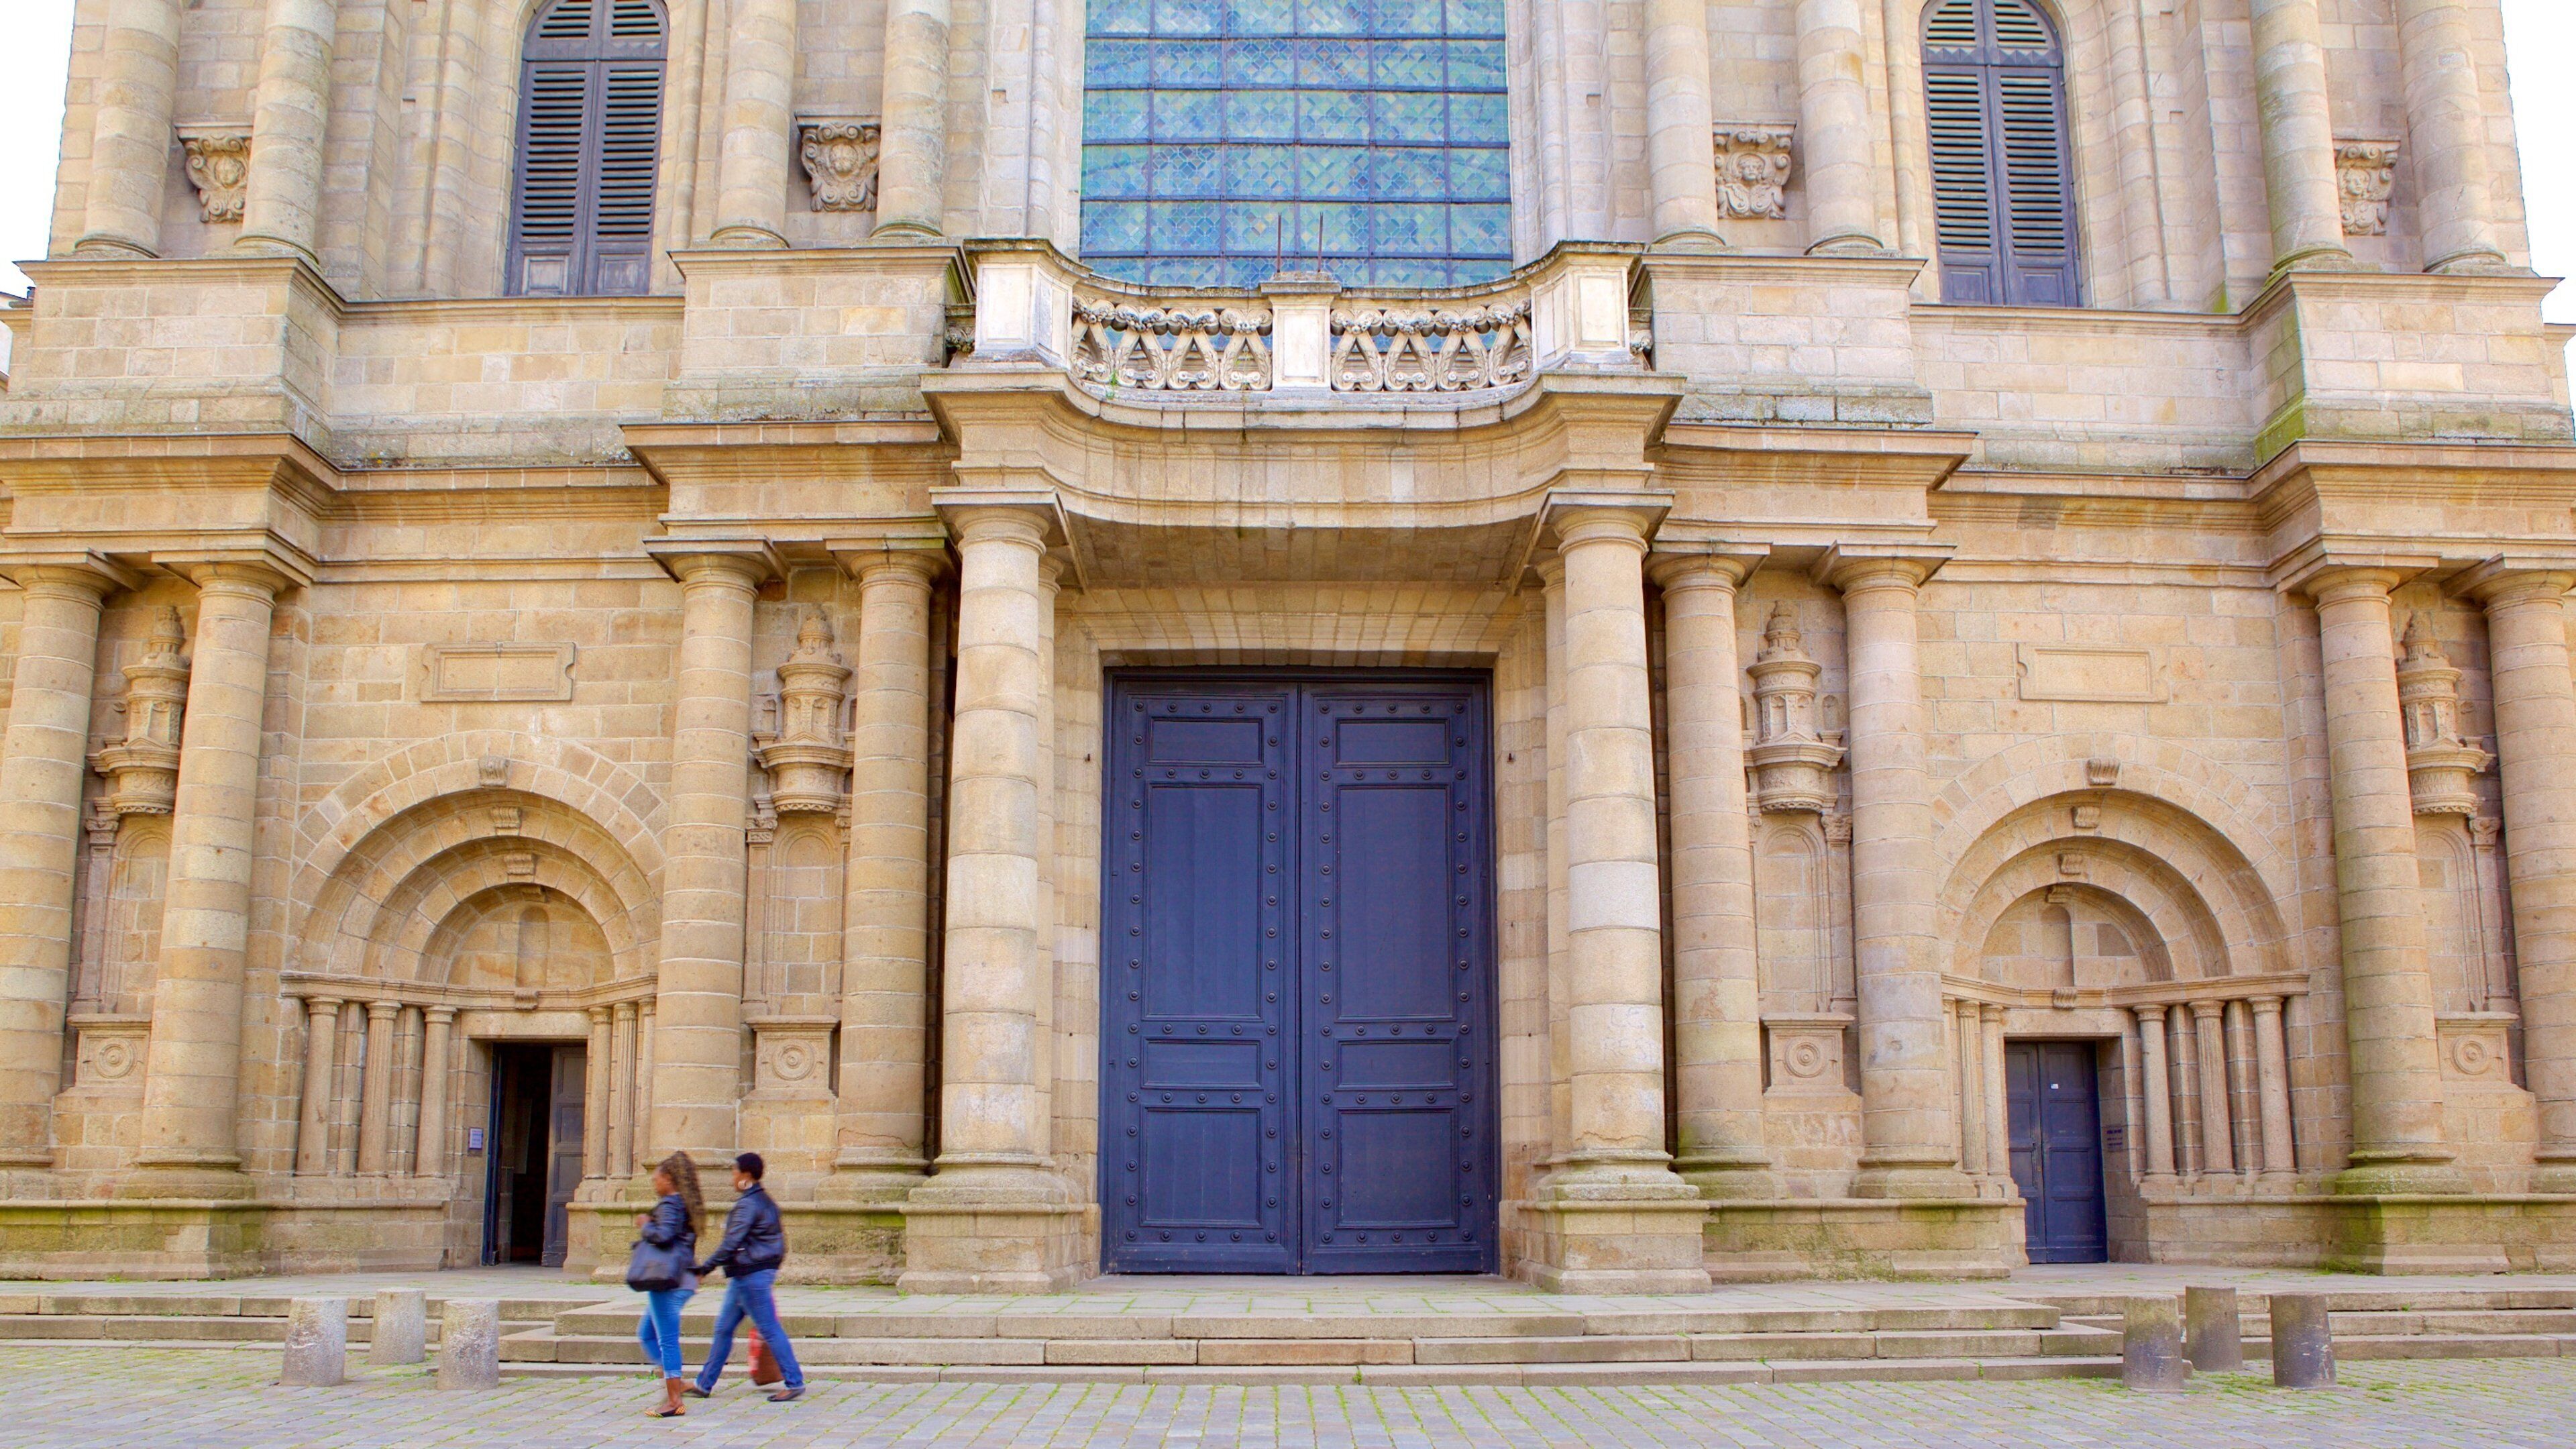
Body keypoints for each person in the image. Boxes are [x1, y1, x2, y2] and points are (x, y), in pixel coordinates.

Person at [686, 1150, 805, 1403]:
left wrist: (704, 1269)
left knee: (769, 1328)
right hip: (746, 1276)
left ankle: (794, 1382)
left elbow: (731, 1243)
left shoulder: (749, 1204)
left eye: (734, 1171)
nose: (732, 1176)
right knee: (723, 1329)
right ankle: (704, 1384)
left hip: (751, 1276)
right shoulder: (764, 1201)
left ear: (746, 1175)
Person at [633, 1152, 702, 1419]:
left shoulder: (670, 1205)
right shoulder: (683, 1205)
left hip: (667, 1281)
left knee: (667, 1341)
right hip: (680, 1279)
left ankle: (674, 1400)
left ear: (669, 1179)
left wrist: (646, 1225)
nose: (654, 1181)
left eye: (658, 1177)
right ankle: (676, 1382)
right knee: (647, 1333)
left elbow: (663, 1237)